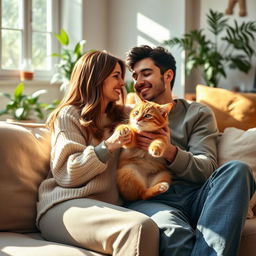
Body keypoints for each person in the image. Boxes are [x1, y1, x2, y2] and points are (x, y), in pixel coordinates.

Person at [125, 45, 256, 256]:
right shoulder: (129, 115)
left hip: (197, 196)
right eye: (135, 76)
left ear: (168, 75)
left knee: (238, 170)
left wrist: (170, 151)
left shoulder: (196, 113)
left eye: (146, 73)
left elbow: (207, 168)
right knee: (175, 233)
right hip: (153, 199)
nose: (139, 81)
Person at [36, 50, 159, 256]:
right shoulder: (69, 115)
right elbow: (68, 174)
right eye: (116, 76)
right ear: (96, 77)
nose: (123, 83)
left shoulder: (124, 115)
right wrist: (108, 145)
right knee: (139, 227)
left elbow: (155, 111)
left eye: (122, 76)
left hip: (104, 206)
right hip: (64, 205)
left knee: (149, 226)